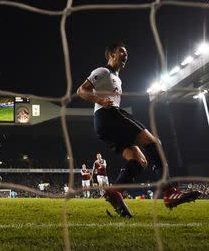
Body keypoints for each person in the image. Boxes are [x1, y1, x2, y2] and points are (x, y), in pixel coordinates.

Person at [77, 42, 200, 217]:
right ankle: (168, 191)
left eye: (127, 53)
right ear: (111, 54)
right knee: (153, 142)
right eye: (122, 51)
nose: (125, 55)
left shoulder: (117, 78)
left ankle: (114, 192)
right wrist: (101, 101)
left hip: (105, 124)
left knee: (139, 160)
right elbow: (81, 90)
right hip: (109, 115)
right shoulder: (103, 71)